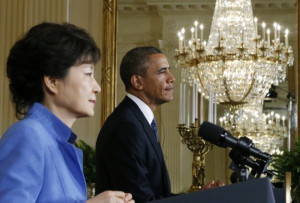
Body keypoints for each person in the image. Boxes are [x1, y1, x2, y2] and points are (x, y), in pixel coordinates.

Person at [0, 22, 134, 203]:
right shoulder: (28, 135)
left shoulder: (60, 143)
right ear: (52, 81)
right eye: (88, 73)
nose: (97, 87)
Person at [95, 46, 223, 202]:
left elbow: (158, 197)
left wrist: (201, 196)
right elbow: (141, 199)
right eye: (162, 72)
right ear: (137, 81)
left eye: (169, 70)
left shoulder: (137, 121)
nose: (171, 78)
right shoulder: (126, 127)